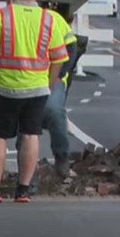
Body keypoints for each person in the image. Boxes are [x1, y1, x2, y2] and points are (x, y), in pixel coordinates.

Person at [0, 0, 75, 203]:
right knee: (32, 135)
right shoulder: (48, 19)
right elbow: (59, 58)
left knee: (0, 136)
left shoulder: (3, 16)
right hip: (36, 89)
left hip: (7, 88)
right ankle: (23, 190)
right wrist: (49, 84)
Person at [41, 30, 88, 179]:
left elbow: (71, 47)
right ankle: (27, 177)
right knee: (27, 126)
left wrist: (57, 76)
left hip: (52, 79)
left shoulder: (56, 20)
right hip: (27, 77)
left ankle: (62, 161)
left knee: (54, 111)